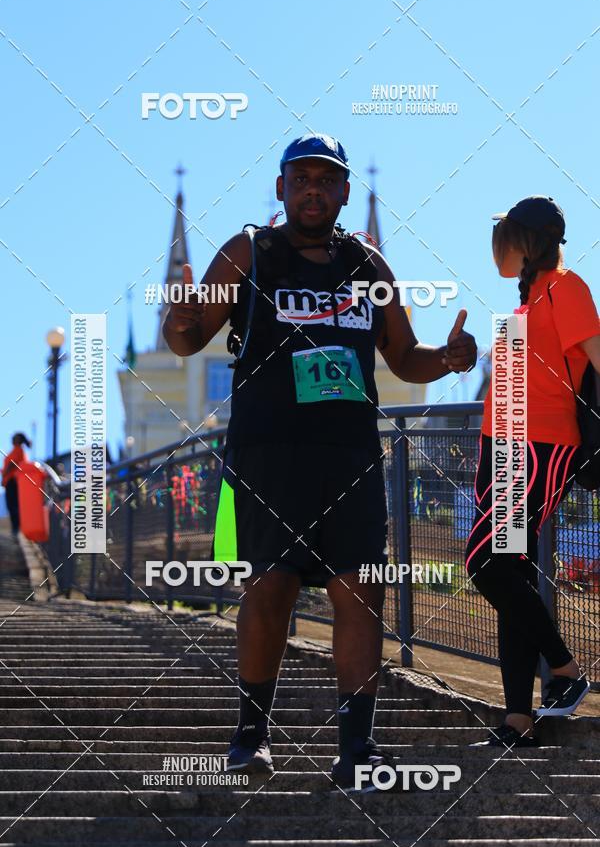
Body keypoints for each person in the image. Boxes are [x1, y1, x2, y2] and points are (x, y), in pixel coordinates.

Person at [163, 133, 477, 791]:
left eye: (325, 179)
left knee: (361, 590)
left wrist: (448, 360)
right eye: (300, 178)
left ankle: (357, 748)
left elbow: (404, 357)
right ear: (281, 189)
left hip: (349, 455)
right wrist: (176, 318)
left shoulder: (369, 267)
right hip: (267, 451)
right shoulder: (248, 251)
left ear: (342, 193)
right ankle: (250, 739)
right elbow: (188, 341)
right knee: (270, 587)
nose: (313, 189)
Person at [466, 195, 600, 748]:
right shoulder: (524, 302)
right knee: (510, 573)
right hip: (502, 446)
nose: (501, 246)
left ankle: (565, 670)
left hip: (540, 445)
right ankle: (517, 717)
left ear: (534, 240)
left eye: (510, 235)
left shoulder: (567, 287)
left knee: (487, 565)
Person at [2, 433, 32, 539]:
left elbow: (12, 464)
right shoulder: (17, 450)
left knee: (13, 505)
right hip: (10, 481)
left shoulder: (18, 450)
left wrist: (5, 474)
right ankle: (16, 529)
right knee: (12, 505)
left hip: (13, 482)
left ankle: (17, 529)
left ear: (18, 440)